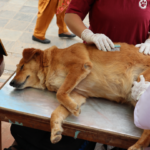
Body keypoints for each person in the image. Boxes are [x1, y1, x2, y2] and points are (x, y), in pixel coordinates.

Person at [64, 0, 150, 149]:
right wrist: (88, 35)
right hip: (99, 66)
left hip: (135, 70)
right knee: (89, 126)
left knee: (131, 127)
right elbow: (71, 14)